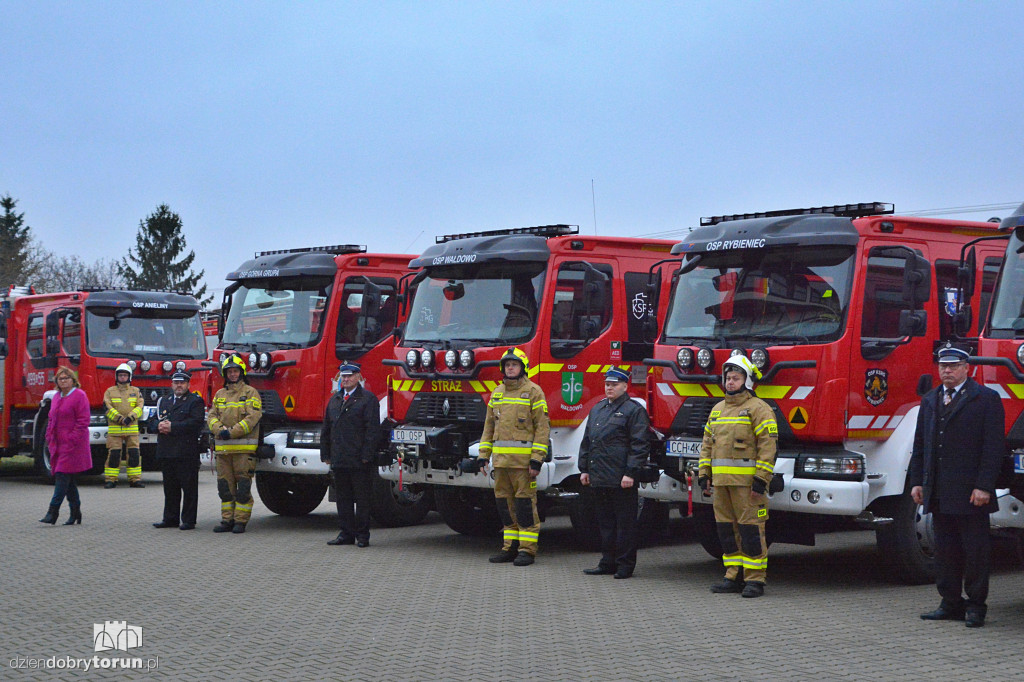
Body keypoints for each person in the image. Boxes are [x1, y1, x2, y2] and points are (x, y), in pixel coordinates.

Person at [910, 344, 1004, 628]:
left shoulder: (986, 399)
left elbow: (993, 447)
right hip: (938, 490)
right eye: (942, 366)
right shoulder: (930, 400)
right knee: (946, 551)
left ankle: (976, 605)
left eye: (953, 366)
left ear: (967, 368)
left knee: (975, 552)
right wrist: (918, 482)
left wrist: (984, 486)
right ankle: (950, 602)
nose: (947, 371)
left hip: (971, 491)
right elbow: (920, 446)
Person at [697, 355, 778, 599]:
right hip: (722, 485)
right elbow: (706, 446)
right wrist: (704, 474)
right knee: (726, 532)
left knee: (752, 532)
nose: (730, 382)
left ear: (747, 381)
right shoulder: (717, 410)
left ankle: (755, 580)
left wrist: (761, 479)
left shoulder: (759, 409)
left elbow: (768, 446)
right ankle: (732, 576)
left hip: (747, 487)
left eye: (736, 378)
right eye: (728, 378)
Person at [476, 347, 550, 566]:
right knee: (504, 507)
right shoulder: (497, 393)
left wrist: (537, 459)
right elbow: (488, 427)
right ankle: (510, 547)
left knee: (525, 506)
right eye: (507, 365)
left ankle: (527, 550)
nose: (510, 368)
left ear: (522, 367)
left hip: (523, 465)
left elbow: (542, 429)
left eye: (514, 365)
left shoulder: (534, 391)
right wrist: (483, 455)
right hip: (500, 463)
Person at [578, 366, 650, 579]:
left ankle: (625, 565)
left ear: (625, 386)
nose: (609, 388)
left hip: (621, 478)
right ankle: (607, 562)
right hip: (600, 477)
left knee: (624, 525)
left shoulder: (633, 410)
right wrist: (584, 469)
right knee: (606, 524)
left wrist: (630, 473)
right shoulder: (598, 409)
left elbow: (640, 445)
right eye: (607, 384)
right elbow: (587, 441)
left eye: (614, 384)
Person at [320, 362, 381, 547]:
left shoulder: (367, 399)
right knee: (343, 499)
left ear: (358, 377)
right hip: (339, 458)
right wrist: (326, 453)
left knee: (362, 500)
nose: (345, 379)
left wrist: (367, 455)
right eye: (343, 376)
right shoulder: (336, 399)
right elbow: (327, 428)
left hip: (358, 459)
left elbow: (372, 430)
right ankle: (346, 533)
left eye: (349, 376)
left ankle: (362, 535)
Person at [207, 354, 263, 534]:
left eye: (235, 371)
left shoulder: (250, 392)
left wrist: (230, 432)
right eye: (229, 372)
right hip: (223, 451)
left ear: (242, 373)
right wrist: (218, 429)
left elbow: (252, 418)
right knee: (224, 488)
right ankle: (226, 520)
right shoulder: (220, 394)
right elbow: (212, 416)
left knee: (243, 488)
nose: (232, 374)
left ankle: (240, 521)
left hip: (243, 451)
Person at [148, 371, 205, 530]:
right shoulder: (163, 401)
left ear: (188, 384)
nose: (179, 385)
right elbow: (151, 421)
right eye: (176, 382)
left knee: (189, 488)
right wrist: (158, 426)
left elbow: (196, 423)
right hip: (166, 451)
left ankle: (188, 520)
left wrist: (173, 427)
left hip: (186, 452)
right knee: (170, 488)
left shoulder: (195, 401)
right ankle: (170, 518)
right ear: (171, 384)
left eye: (182, 383)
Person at [40, 367, 93, 525]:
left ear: (73, 380)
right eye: (60, 379)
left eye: (66, 378)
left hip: (73, 445)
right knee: (68, 480)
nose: (63, 381)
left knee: (62, 476)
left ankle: (52, 511)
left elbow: (83, 420)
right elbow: (51, 418)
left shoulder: (79, 396)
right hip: (58, 444)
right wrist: (49, 436)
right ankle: (75, 512)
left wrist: (71, 438)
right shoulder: (56, 396)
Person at [102, 362, 145, 488]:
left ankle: (135, 479)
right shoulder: (109, 392)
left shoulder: (136, 391)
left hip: (131, 430)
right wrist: (120, 418)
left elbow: (140, 406)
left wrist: (131, 417)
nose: (122, 378)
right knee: (114, 455)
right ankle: (111, 480)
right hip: (115, 431)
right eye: (120, 375)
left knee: (134, 455)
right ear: (116, 377)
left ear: (129, 377)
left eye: (125, 376)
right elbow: (107, 407)